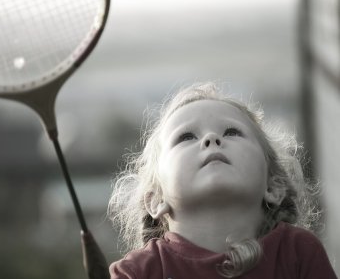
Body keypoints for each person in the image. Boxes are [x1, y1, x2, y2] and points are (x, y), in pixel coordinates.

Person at [106, 82, 338, 278]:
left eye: (231, 132)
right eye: (186, 137)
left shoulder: (298, 252)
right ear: (156, 199)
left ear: (273, 185)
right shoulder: (137, 272)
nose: (211, 138)